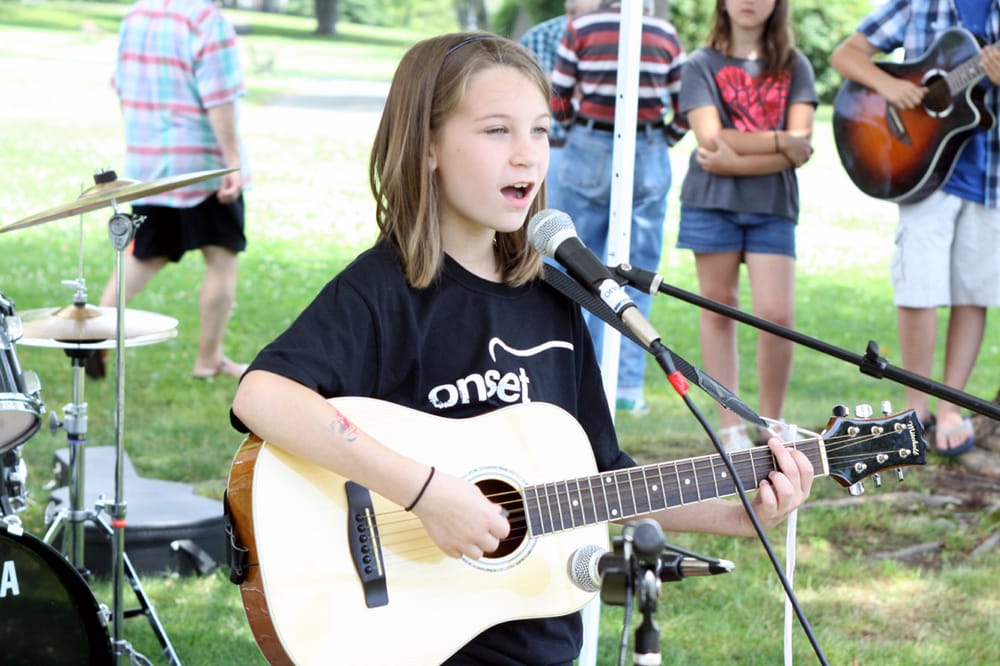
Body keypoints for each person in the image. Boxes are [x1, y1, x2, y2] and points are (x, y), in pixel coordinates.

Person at [230, 32, 813, 664]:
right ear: (427, 146)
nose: (525, 157)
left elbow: (602, 477)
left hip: (538, 643)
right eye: (496, 131)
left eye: (539, 131)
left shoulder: (557, 298)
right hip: (416, 636)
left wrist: (739, 514)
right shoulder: (384, 291)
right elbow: (263, 394)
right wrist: (425, 492)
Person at [831, 0, 1000, 475]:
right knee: (918, 290)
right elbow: (846, 55)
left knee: (974, 292)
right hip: (922, 167)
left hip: (990, 174)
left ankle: (950, 407)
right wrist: (890, 88)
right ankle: (916, 411)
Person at [676, 0, 816, 451]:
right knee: (719, 309)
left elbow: (805, 142)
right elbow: (710, 140)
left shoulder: (795, 66)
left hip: (773, 206)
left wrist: (735, 160)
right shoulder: (700, 64)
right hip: (710, 204)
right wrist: (779, 143)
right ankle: (731, 423)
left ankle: (770, 419)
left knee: (777, 315)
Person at [86, 0, 250, 380]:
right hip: (204, 167)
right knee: (222, 258)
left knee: (144, 255)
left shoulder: (136, 16)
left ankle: (98, 335)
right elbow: (219, 96)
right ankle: (208, 360)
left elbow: (122, 88)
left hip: (148, 164)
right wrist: (233, 162)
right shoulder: (206, 20)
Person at [548, 0, 688, 416]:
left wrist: (576, 131)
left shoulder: (582, 27)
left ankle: (567, 375)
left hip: (587, 145)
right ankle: (627, 385)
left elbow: (557, 96)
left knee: (569, 267)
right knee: (635, 273)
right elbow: (682, 108)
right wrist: (664, 138)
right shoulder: (665, 34)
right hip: (646, 148)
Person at [518, 0, 601, 149]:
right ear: (570, 13)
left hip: (601, 144)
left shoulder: (622, 40)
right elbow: (514, 94)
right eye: (589, 14)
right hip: (550, 144)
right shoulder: (537, 37)